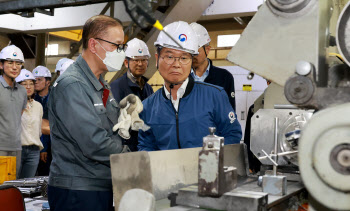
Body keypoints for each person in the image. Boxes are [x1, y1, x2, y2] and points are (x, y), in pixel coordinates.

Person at [47, 15, 127, 211]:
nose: (121, 52)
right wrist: (131, 157)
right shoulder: (73, 85)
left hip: (98, 184)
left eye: (122, 47)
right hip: (78, 190)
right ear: (93, 45)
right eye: (116, 46)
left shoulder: (99, 83)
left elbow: (111, 130)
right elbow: (94, 143)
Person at [138, 21, 242, 151]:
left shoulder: (215, 96)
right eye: (169, 56)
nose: (176, 64)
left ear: (191, 60)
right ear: (157, 58)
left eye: (184, 58)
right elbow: (146, 145)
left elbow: (232, 134)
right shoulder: (148, 107)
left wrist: (211, 161)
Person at [110, 38, 154, 151]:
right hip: (126, 146)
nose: (140, 64)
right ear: (126, 62)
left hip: (145, 144)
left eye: (144, 60)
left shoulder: (148, 88)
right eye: (135, 60)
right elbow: (116, 119)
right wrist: (145, 128)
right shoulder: (117, 86)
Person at [190, 22, 236, 111]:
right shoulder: (180, 77)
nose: (192, 56)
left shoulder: (224, 77)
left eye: (195, 51)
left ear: (207, 50)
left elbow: (230, 113)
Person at [0, 45, 27, 178]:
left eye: (18, 63)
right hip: (0, 147)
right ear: (1, 65)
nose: (15, 67)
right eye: (10, 62)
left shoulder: (22, 91)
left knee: (10, 189)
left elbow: (18, 115)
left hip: (16, 148)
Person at [16, 69, 44, 179]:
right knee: (13, 184)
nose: (28, 87)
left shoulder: (38, 106)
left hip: (34, 151)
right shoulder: (13, 104)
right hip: (17, 149)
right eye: (24, 84)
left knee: (27, 184)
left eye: (31, 83)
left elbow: (39, 130)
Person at [33, 65, 52, 176]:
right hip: (36, 145)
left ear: (48, 82)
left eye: (39, 79)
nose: (36, 82)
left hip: (53, 146)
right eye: (34, 80)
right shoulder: (31, 100)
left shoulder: (54, 98)